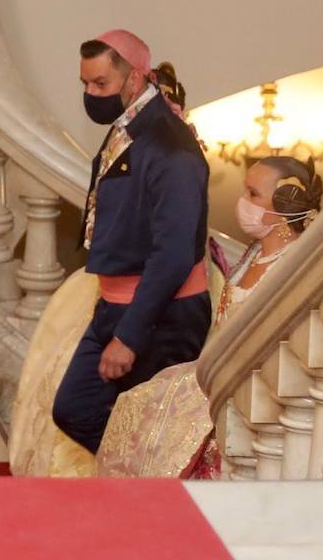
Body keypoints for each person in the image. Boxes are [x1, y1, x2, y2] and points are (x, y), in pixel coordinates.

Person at [91, 157, 323, 478]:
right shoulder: (255, 253)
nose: (243, 202)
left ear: (284, 205)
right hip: (220, 369)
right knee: (135, 405)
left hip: (253, 383)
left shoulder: (293, 266)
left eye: (253, 194)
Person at [41, 33, 213, 457]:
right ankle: (133, 482)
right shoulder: (130, 124)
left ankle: (146, 498)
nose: (90, 95)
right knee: (75, 408)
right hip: (115, 305)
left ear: (134, 79)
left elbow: (173, 256)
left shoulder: (172, 148)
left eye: (100, 84)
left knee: (152, 433)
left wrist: (130, 337)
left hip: (161, 316)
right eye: (84, 84)